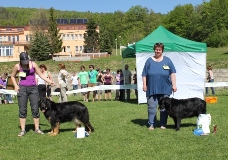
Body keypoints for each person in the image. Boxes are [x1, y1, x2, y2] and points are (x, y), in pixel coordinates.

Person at [11, 52, 54, 137]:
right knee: (22, 109)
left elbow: (41, 75)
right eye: (24, 61)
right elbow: (12, 76)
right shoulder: (17, 66)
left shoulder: (33, 64)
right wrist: (15, 85)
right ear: (21, 60)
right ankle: (23, 130)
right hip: (22, 89)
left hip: (33, 88)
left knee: (35, 108)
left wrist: (50, 81)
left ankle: (37, 129)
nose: (26, 63)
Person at [142, 42, 177, 130]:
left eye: (159, 50)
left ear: (162, 50)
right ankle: (151, 124)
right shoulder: (149, 60)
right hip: (152, 88)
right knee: (152, 107)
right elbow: (144, 74)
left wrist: (174, 85)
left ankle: (163, 124)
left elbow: (172, 73)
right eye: (156, 49)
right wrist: (144, 85)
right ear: (154, 50)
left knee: (164, 107)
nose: (158, 51)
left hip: (165, 88)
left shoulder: (167, 60)